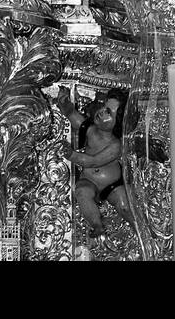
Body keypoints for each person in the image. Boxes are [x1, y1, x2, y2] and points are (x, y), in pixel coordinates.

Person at [57, 87, 134, 235]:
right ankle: (96, 224)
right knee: (81, 192)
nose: (102, 112)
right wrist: (64, 103)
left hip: (112, 185)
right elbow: (72, 115)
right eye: (105, 107)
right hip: (89, 180)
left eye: (108, 113)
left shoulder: (115, 146)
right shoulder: (90, 130)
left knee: (123, 205)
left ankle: (138, 226)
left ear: (119, 124)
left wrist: (72, 155)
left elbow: (93, 161)